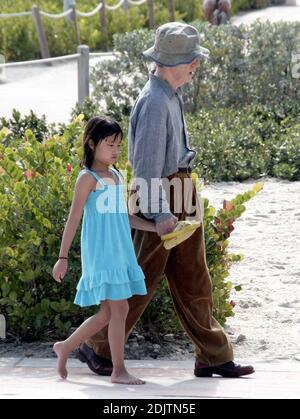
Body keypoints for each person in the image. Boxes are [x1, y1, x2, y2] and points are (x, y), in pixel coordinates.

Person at [77, 22, 254, 379]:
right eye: (191, 60)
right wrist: (160, 213)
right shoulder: (155, 101)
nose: (195, 65)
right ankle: (93, 346)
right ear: (172, 63)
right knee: (136, 280)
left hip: (180, 195)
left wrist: (183, 199)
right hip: (161, 199)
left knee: (194, 281)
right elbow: (145, 168)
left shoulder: (170, 92)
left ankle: (213, 356)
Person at [52, 116, 158, 385]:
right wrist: (62, 258)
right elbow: (73, 219)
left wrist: (155, 228)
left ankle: (66, 346)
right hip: (101, 254)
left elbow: (123, 216)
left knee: (109, 313)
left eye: (118, 145)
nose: (115, 150)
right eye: (110, 144)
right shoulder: (87, 179)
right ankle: (118, 371)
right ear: (91, 143)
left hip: (120, 252)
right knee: (119, 309)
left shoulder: (117, 175)